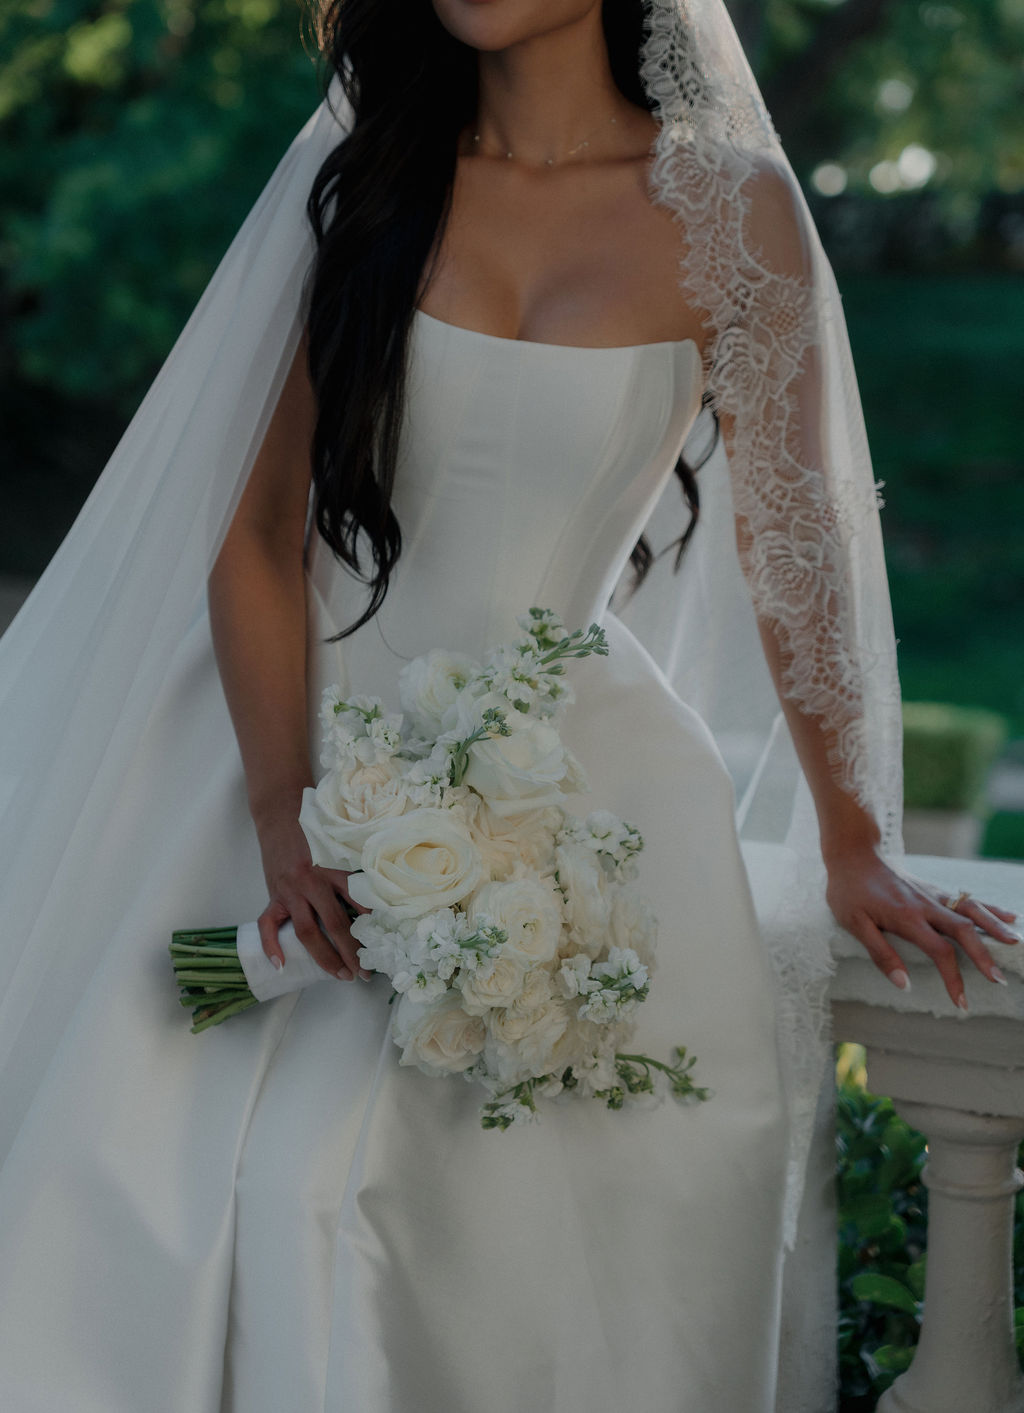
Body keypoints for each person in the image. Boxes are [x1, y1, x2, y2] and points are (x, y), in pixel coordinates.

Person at [0, 1, 1018, 1409]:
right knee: (151, 1161)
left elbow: (793, 552)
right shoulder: (368, 180)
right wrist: (281, 812)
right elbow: (253, 533)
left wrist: (852, 835)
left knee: (494, 1225)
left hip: (572, 784)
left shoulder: (734, 210)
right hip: (288, 739)